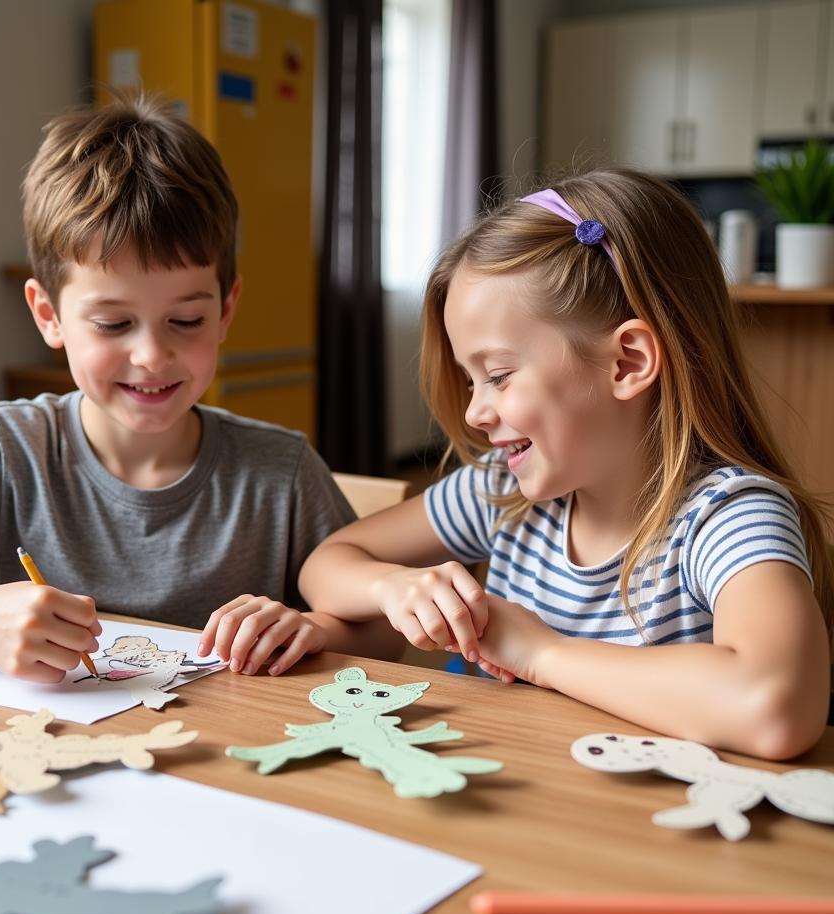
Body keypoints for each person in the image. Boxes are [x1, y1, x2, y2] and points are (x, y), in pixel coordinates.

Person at [0, 93, 398, 681]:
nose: (151, 355)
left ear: (225, 310)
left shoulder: (282, 470)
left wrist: (315, 629)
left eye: (186, 320)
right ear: (48, 316)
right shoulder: (9, 448)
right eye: (114, 323)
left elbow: (383, 632)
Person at [300, 168, 833, 760]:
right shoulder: (504, 494)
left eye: (499, 376)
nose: (476, 410)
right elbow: (327, 564)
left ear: (627, 362)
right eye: (470, 379)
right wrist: (395, 586)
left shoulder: (726, 517)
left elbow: (776, 705)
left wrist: (541, 653)